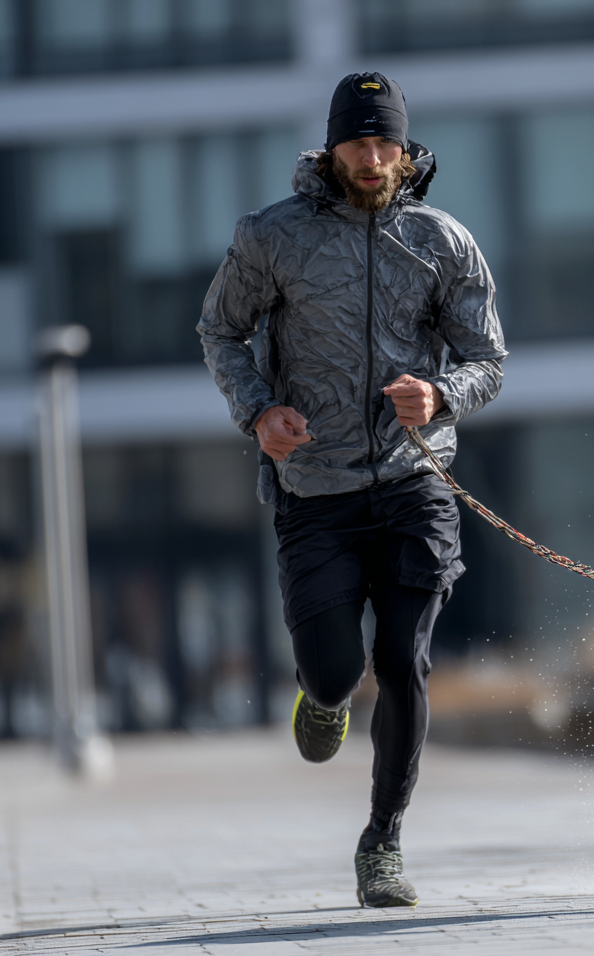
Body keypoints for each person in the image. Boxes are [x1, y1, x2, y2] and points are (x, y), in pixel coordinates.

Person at [198, 72, 505, 908]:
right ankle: (322, 698)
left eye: (386, 145)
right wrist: (259, 411)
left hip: (416, 482)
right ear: (331, 149)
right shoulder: (273, 238)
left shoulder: (442, 241)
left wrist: (442, 395)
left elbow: (489, 360)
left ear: (406, 151)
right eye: (357, 144)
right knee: (337, 673)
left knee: (403, 661)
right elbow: (221, 329)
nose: (372, 160)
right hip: (317, 489)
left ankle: (383, 841)